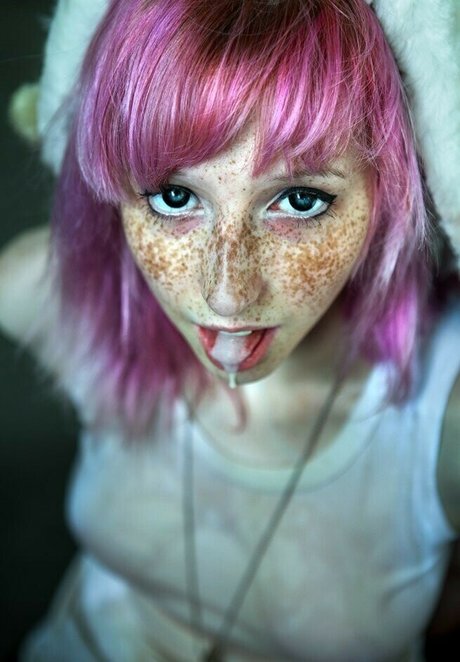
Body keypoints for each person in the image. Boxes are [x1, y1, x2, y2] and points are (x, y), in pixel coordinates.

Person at [1, 0, 459, 660]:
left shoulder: (444, 427)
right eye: (175, 197)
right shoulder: (51, 299)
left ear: (397, 189)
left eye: (299, 200)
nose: (226, 292)